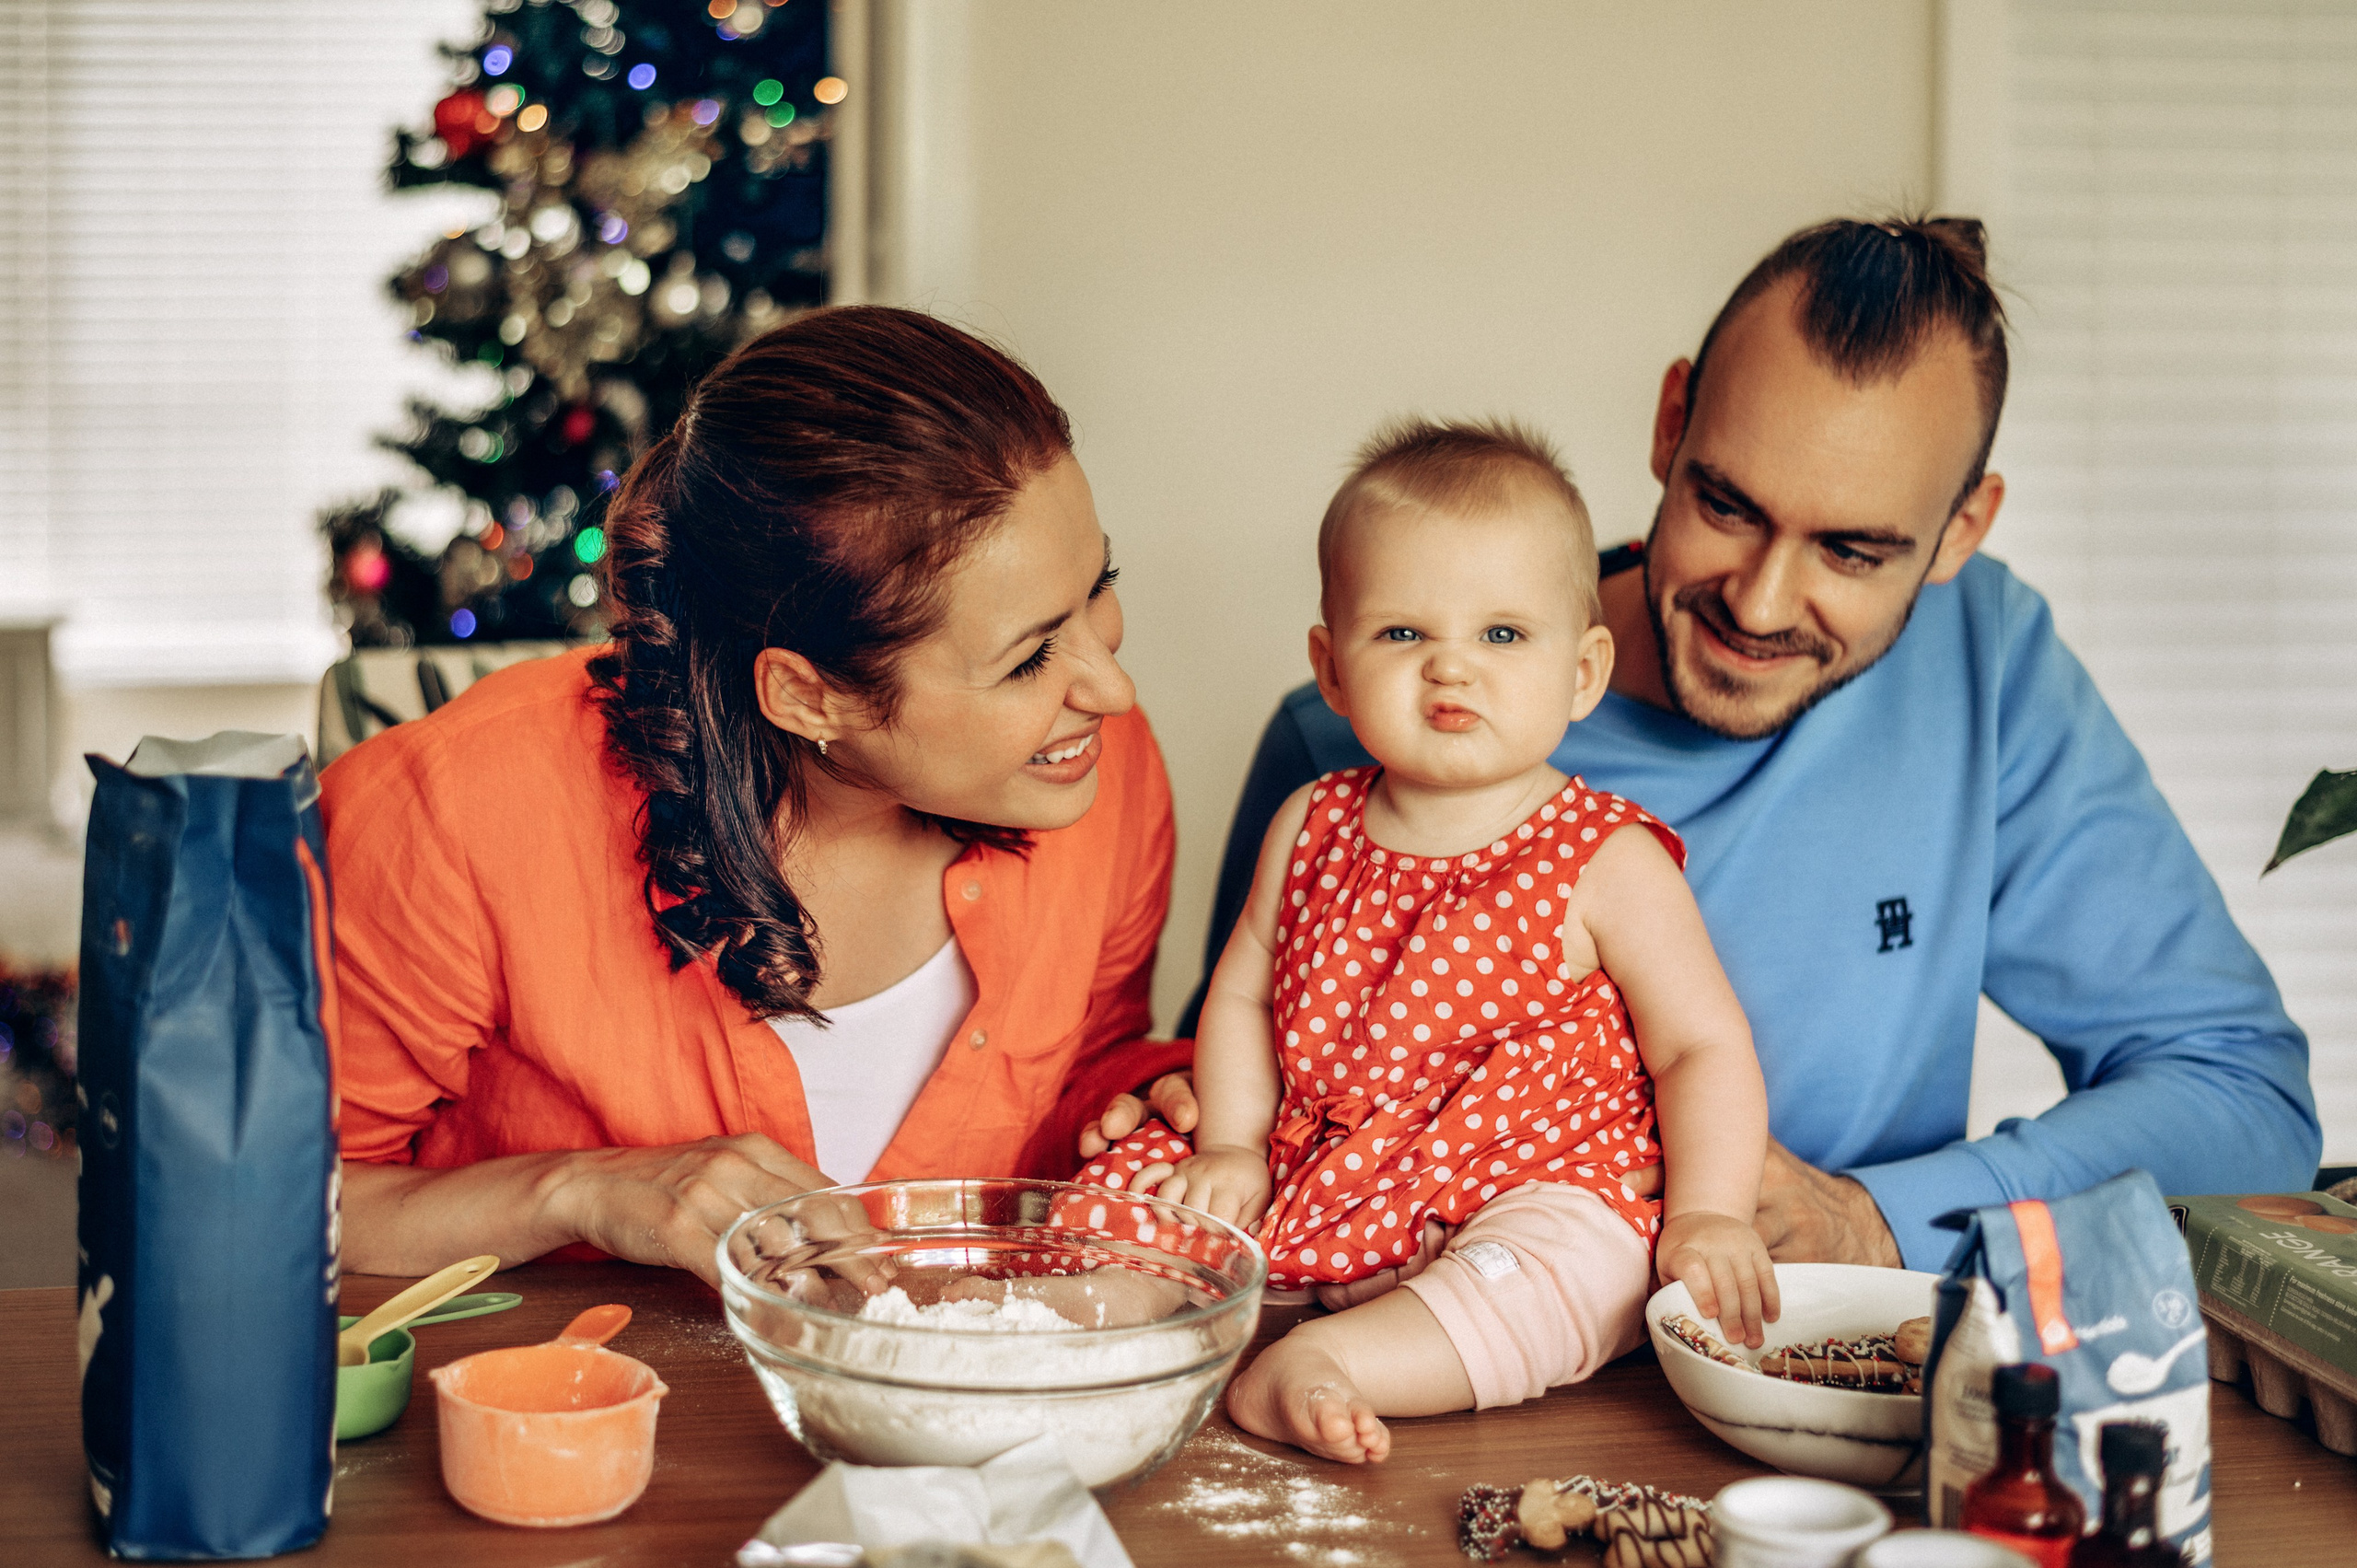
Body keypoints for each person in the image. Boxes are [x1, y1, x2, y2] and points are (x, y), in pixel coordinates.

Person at [1178, 217, 2321, 1272]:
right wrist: (1166, 1105)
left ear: (1959, 531)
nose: (1764, 603)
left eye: (1854, 552)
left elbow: (2242, 1102)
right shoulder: (1351, 743)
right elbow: (1227, 1091)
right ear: (1671, 423)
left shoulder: (1990, 667)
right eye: (1727, 506)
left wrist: (1876, 1218)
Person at [326, 307, 1195, 1286]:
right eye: (1029, 655)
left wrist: (1145, 1097)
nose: (1111, 687)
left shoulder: (1091, 770)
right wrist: (583, 1190)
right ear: (809, 694)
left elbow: (1085, 1058)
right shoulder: (452, 812)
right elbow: (260, 1209)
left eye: (1099, 584)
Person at [1079, 421, 1776, 1464]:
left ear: (1583, 670)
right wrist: (1229, 1142)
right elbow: (1238, 998)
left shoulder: (1608, 857)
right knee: (1134, 1184)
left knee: (1580, 1267)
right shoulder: (1310, 819)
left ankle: (1339, 1361)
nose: (1451, 667)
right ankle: (1090, 1323)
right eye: (1402, 634)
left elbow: (1699, 1046)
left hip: (1520, 1185)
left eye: (1502, 635)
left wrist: (1711, 1212)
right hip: (1317, 1155)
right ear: (1331, 666)